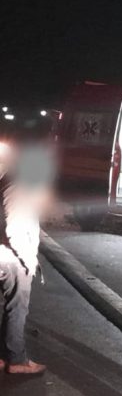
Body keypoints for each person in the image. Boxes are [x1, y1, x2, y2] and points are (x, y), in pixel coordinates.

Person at [0, 141, 56, 374]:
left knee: (4, 307)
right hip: (13, 258)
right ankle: (17, 360)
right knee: (17, 308)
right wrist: (27, 261)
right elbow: (14, 226)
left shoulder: (8, 181)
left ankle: (3, 356)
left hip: (4, 255)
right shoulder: (19, 186)